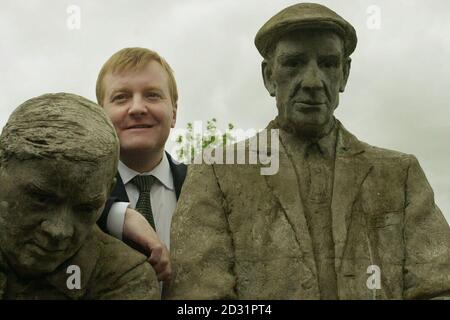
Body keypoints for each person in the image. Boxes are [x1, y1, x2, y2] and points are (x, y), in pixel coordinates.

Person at [166, 3, 450, 299]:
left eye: (328, 64)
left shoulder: (400, 175)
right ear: (269, 76)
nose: (313, 82)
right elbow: (200, 300)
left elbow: (439, 287)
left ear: (345, 74)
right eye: (294, 63)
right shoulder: (216, 173)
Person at [0, 93, 160, 299]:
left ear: (107, 193)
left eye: (85, 209)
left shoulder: (122, 278)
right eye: (41, 199)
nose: (59, 231)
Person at [95, 48, 187, 283]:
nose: (137, 108)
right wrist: (118, 216)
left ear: (174, 113)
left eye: (153, 95)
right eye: (121, 97)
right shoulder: (76, 192)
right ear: (100, 115)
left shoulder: (204, 185)